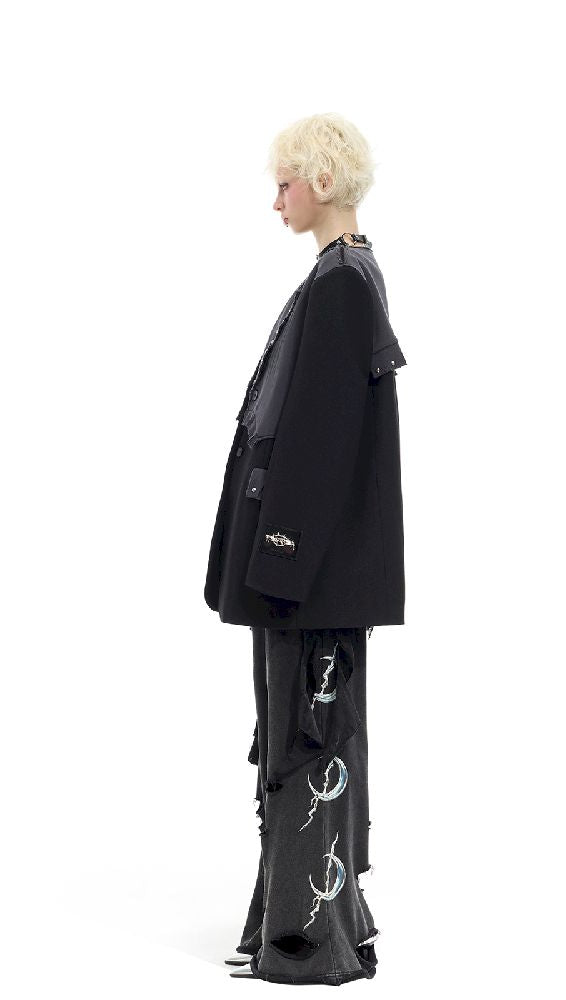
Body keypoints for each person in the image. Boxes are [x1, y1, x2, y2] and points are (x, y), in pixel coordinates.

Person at [204, 112, 407, 985]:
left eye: (284, 182)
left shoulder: (342, 284)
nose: (275, 199)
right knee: (305, 738)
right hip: (312, 579)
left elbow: (321, 444)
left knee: (305, 743)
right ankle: (298, 927)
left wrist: (279, 563)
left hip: (307, 581)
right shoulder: (345, 274)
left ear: (321, 182)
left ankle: (306, 945)